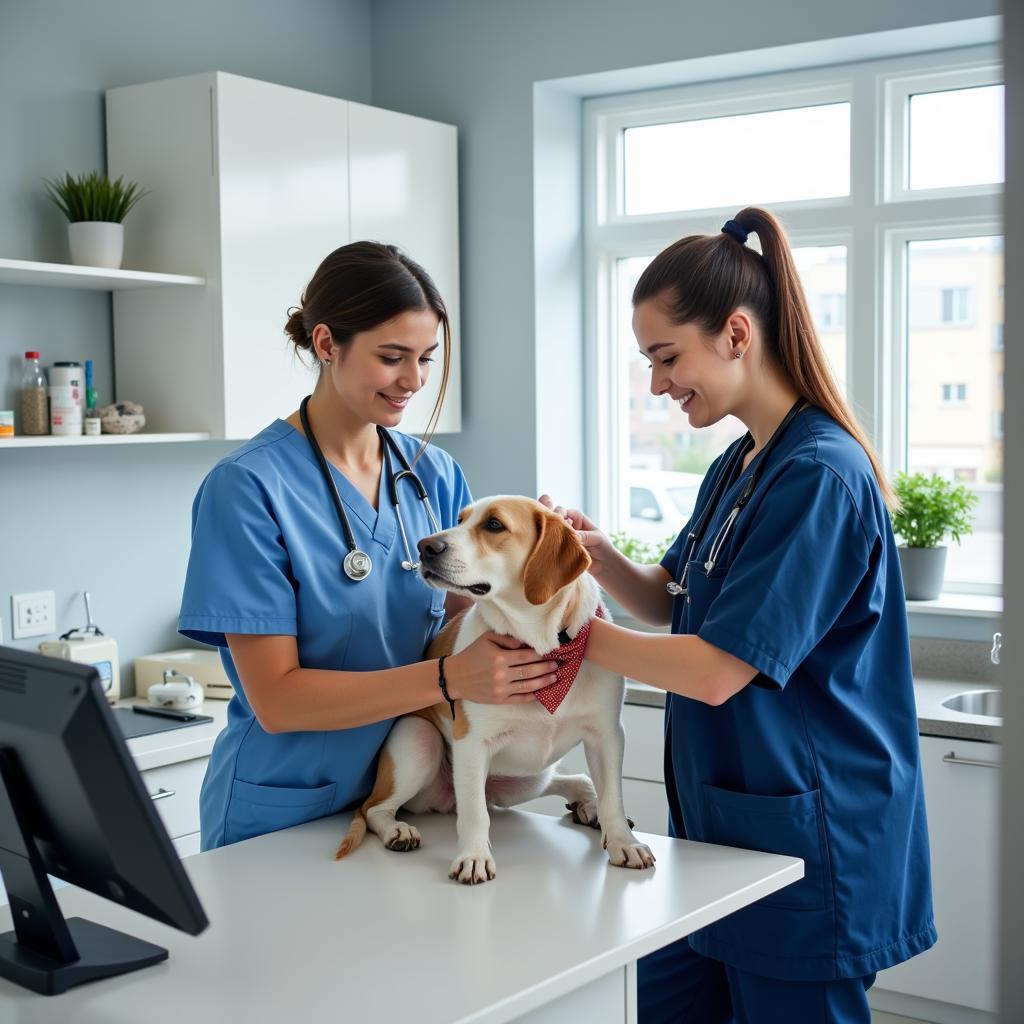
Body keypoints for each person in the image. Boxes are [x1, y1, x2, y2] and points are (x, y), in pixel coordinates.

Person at [543, 207, 935, 1024]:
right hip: (725, 834)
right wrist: (593, 558)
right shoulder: (743, 460)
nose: (656, 383)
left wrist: (556, 633)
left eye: (666, 357)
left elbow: (718, 669)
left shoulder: (819, 475)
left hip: (808, 839)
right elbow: (671, 601)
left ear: (734, 333)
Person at [179, 242, 561, 850]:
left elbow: (463, 621)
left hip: (410, 803)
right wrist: (449, 680)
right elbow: (277, 699)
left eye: (427, 359)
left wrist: (540, 571)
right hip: (285, 809)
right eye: (392, 357)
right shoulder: (247, 489)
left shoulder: (435, 477)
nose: (413, 380)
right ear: (327, 344)